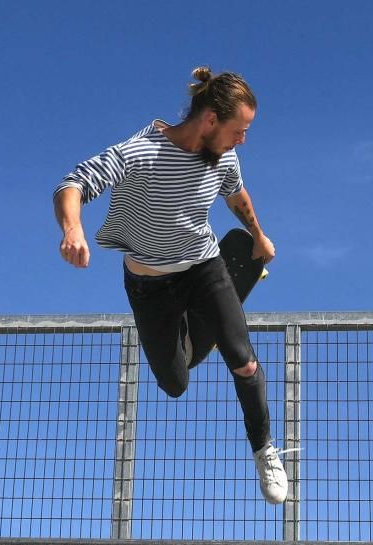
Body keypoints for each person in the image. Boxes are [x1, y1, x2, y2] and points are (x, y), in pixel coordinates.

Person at [53, 67, 288, 504]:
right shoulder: (142, 152)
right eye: (239, 130)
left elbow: (236, 194)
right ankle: (206, 324)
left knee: (244, 361)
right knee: (175, 382)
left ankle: (264, 449)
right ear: (211, 120)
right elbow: (72, 184)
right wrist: (72, 231)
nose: (243, 140)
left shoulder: (225, 157)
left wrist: (257, 235)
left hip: (204, 265)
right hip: (150, 285)